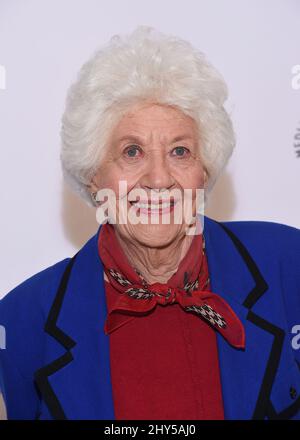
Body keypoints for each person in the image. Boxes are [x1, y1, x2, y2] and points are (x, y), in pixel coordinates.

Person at [0, 26, 299, 420]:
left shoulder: (288, 265)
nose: (159, 180)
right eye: (132, 151)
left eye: (180, 150)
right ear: (94, 175)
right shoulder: (21, 321)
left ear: (204, 171)